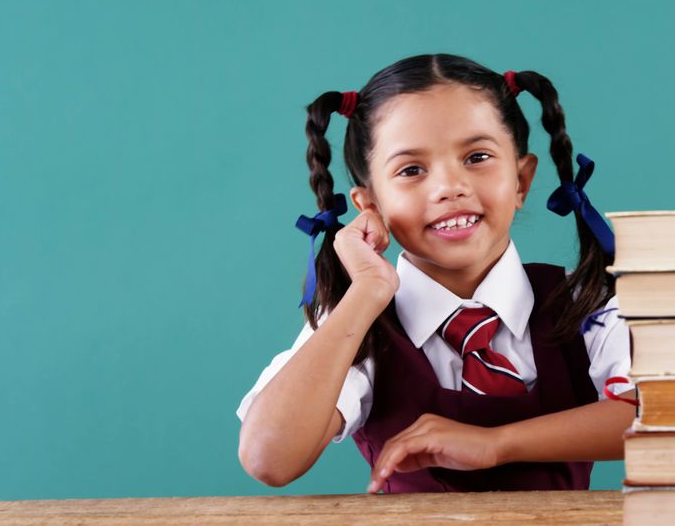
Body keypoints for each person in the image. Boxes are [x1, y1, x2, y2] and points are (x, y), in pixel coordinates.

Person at [236, 53, 638, 494]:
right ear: (370, 204)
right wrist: (366, 293)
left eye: (478, 156)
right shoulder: (360, 323)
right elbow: (268, 458)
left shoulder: (588, 300)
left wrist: (496, 443)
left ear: (521, 181)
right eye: (411, 170)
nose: (449, 187)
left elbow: (663, 415)